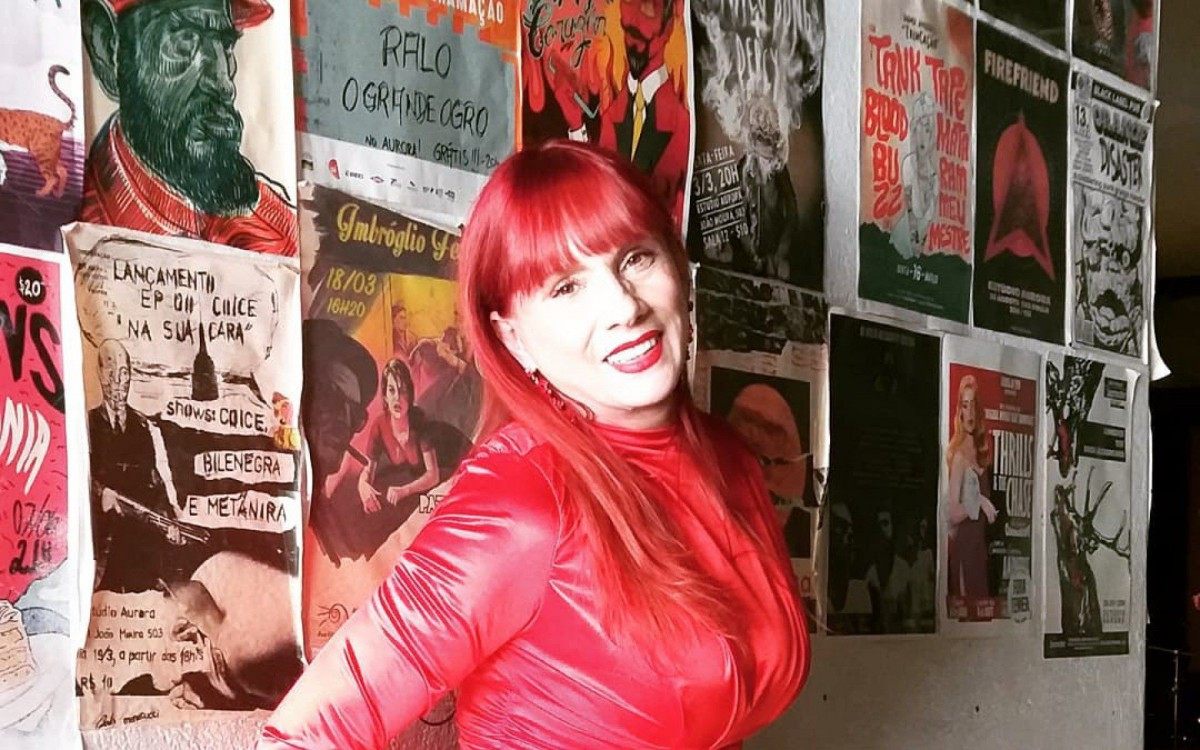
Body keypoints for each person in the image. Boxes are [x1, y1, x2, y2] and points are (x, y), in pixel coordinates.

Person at [259, 140, 808, 748]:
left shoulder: (730, 458)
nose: (623, 307)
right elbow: (304, 734)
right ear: (513, 339)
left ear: (677, 267)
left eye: (635, 258)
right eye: (566, 287)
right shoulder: (524, 495)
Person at [79, 0, 297, 256]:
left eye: (226, 45)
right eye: (184, 40)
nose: (224, 83)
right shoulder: (78, 223)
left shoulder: (276, 226)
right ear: (108, 50)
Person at [88, 340, 182, 592]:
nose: (118, 382)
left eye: (124, 373)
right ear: (99, 374)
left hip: (141, 551)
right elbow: (74, 479)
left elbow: (156, 484)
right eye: (110, 373)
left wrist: (168, 522)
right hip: (101, 553)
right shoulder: (87, 425)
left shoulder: (144, 428)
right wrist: (101, 493)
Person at [945, 375, 998, 618]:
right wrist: (978, 502)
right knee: (968, 618)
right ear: (959, 410)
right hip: (964, 551)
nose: (969, 413)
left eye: (973, 405)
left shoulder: (981, 451)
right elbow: (952, 513)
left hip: (980, 551)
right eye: (965, 405)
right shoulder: (958, 455)